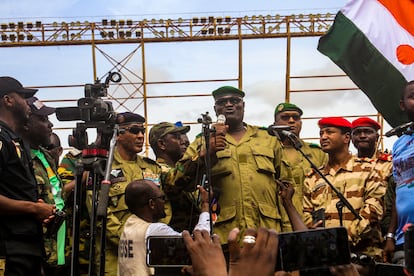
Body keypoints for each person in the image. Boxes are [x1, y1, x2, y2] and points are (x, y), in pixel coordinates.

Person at [167, 86, 290, 249]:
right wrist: (205, 154)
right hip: (224, 236)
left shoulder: (268, 139)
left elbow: (286, 189)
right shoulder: (202, 141)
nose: (229, 105)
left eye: (235, 101)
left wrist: (289, 234)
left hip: (267, 233)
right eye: (222, 102)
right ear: (215, 109)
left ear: (243, 106)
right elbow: (174, 181)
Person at [303, 116, 386, 260]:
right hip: (325, 256)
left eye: (329, 132)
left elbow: (373, 212)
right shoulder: (313, 177)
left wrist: (341, 239)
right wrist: (319, 238)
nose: (323, 137)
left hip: (362, 257)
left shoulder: (368, 169)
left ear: (346, 138)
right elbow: (306, 213)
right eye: (321, 134)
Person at [0, 76, 55, 275]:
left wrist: (35, 204)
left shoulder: (16, 141)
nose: (28, 105)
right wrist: (32, 208)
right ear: (8, 100)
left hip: (26, 247)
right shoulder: (2, 138)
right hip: (8, 249)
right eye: (23, 97)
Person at [103, 112, 162, 275]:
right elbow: (100, 212)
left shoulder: (152, 168)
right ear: (119, 135)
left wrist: (155, 236)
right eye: (134, 131)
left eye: (142, 131)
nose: (141, 136)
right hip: (117, 252)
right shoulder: (104, 167)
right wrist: (130, 237)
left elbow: (165, 205)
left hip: (150, 249)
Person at [117, 179, 210, 276]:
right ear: (152, 204)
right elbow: (199, 244)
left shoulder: (129, 224)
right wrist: (205, 206)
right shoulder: (155, 230)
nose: (164, 202)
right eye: (162, 198)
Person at [23, 97, 68, 275]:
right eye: (42, 120)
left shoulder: (46, 156)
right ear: (26, 124)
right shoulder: (19, 155)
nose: (50, 125)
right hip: (36, 251)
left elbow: (57, 196)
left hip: (58, 249)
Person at [273, 102, 327, 221]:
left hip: (311, 220)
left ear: (301, 123)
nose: (291, 121)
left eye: (296, 118)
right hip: (280, 219)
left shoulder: (318, 153)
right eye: (285, 117)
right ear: (275, 124)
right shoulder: (269, 152)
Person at [384, 80, 414, 265]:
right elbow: (399, 190)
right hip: (404, 238)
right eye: (413, 97)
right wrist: (390, 235)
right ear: (402, 105)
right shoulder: (398, 144)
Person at [149, 122, 197, 230]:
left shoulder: (182, 169)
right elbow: (176, 178)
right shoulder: (156, 170)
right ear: (161, 144)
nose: (184, 141)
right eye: (176, 137)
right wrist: (199, 148)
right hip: (171, 237)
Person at [350, 117, 393, 236]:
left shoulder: (390, 163)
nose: (362, 136)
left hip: (385, 226)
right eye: (357, 133)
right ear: (351, 138)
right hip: (355, 227)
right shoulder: (347, 166)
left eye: (368, 132)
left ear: (377, 137)